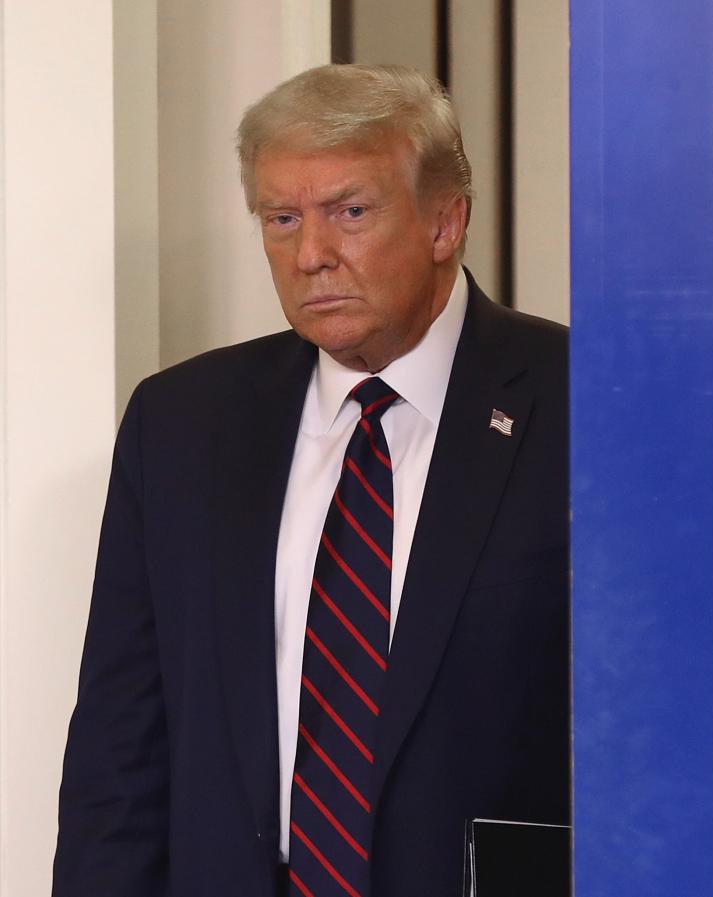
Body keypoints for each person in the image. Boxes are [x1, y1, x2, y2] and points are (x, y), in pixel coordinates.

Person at [52, 64, 568, 897]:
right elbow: (121, 745)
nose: (312, 254)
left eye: (350, 212)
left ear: (446, 221)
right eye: (282, 219)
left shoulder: (586, 404)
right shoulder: (182, 423)